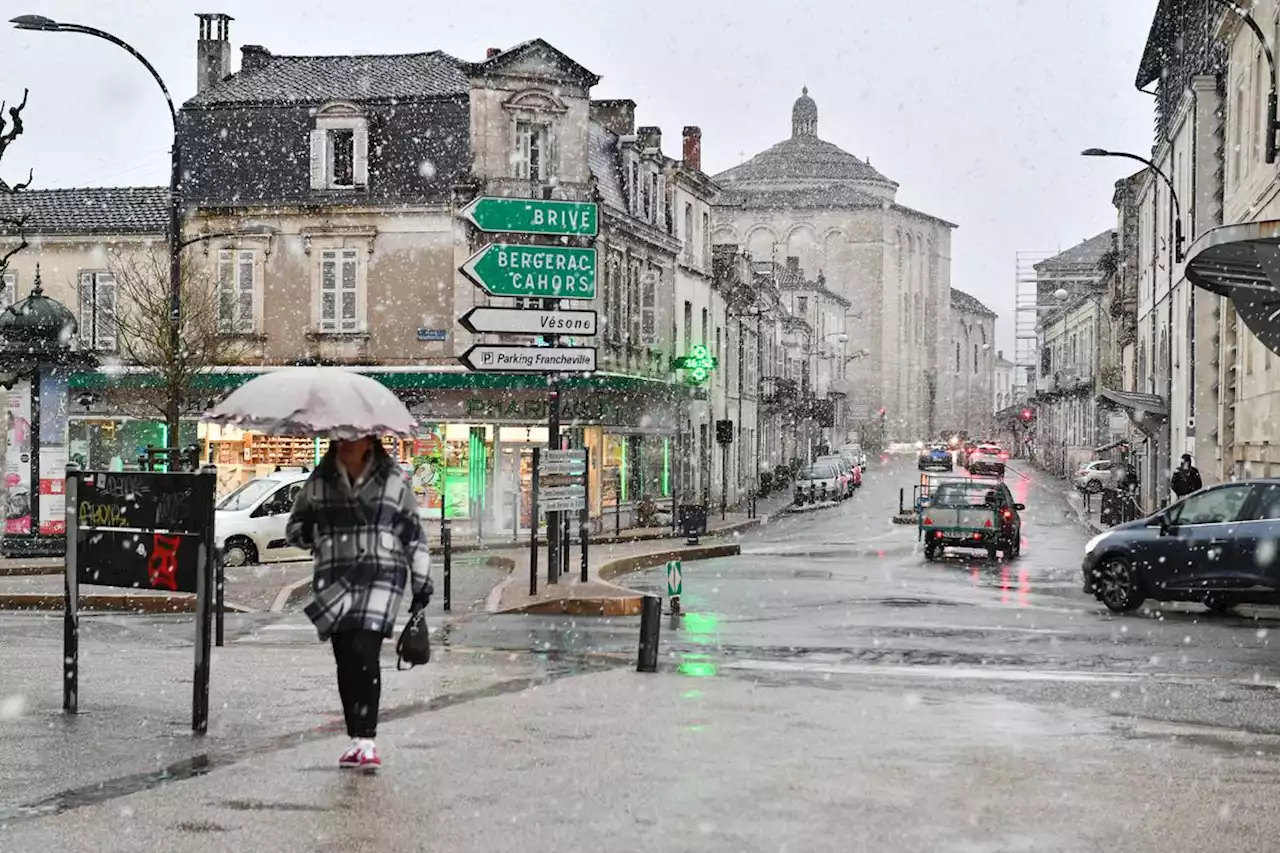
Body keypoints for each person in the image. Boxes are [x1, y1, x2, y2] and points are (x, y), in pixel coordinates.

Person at [286, 435, 432, 773]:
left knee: (364, 651)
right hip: (335, 576)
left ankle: (367, 740)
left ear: (370, 441)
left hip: (381, 577)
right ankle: (356, 738)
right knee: (345, 659)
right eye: (340, 436)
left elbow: (413, 535)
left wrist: (422, 584)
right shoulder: (321, 481)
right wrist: (316, 531)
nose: (346, 442)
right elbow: (294, 528)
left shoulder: (392, 479)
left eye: (353, 436)